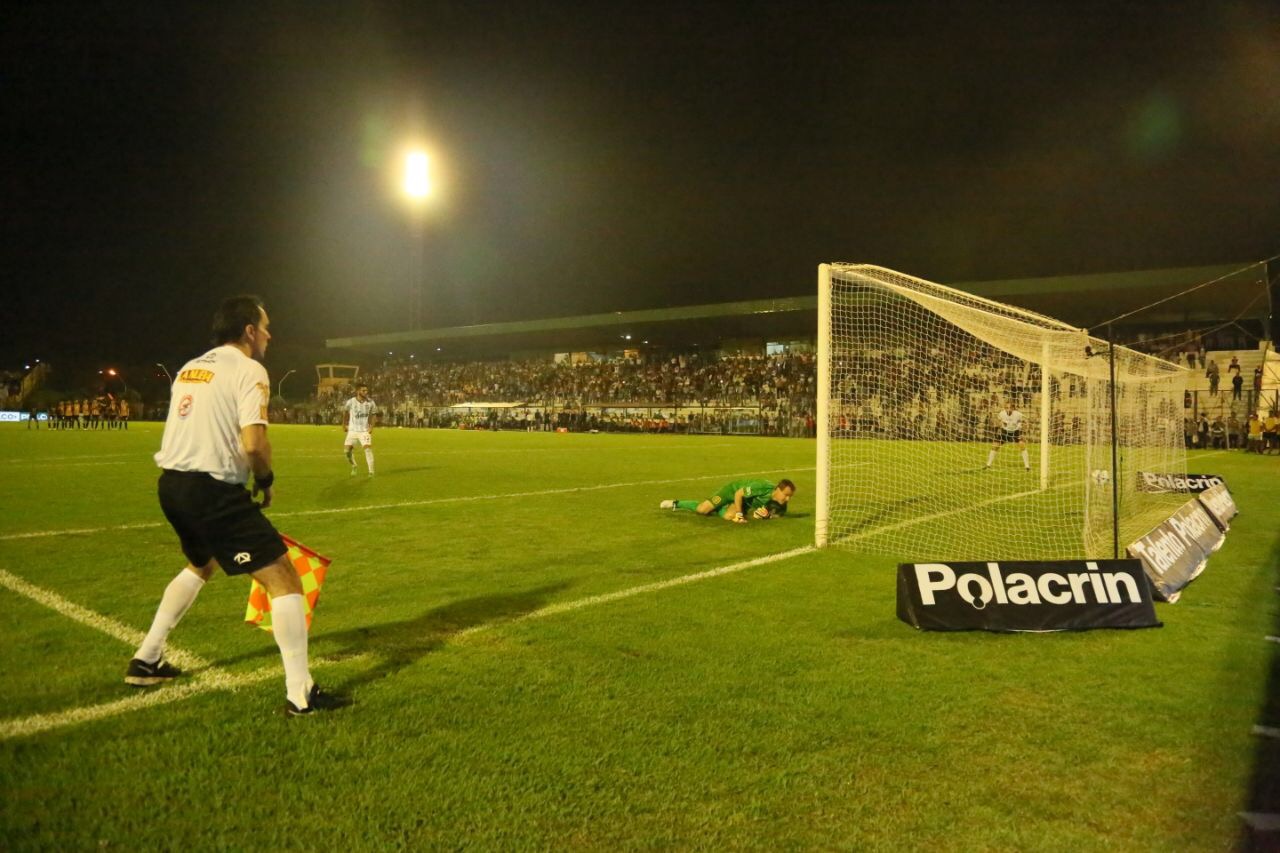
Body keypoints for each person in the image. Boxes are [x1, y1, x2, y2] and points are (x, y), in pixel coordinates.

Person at [129, 295, 347, 716]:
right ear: (248, 330)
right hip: (211, 491)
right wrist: (265, 480)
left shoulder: (190, 367)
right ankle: (300, 695)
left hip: (171, 486)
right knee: (284, 579)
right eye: (265, 326)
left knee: (201, 563)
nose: (269, 334)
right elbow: (254, 442)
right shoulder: (250, 370)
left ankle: (147, 658)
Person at [660, 478, 795, 523]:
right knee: (702, 510)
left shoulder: (781, 504)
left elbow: (774, 515)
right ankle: (676, 503)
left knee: (728, 516)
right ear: (777, 490)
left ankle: (719, 508)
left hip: (744, 502)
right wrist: (740, 514)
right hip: (732, 491)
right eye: (786, 495)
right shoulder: (762, 487)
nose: (788, 498)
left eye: (790, 496)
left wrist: (767, 516)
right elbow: (738, 494)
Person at [341, 383, 378, 477]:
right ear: (358, 391)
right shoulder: (351, 402)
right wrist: (344, 425)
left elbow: (374, 415)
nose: (366, 392)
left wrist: (371, 427)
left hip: (364, 430)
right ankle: (354, 465)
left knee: (367, 449)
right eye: (363, 390)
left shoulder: (371, 402)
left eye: (366, 390)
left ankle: (371, 472)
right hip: (352, 430)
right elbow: (345, 413)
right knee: (347, 452)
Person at [986, 400, 1031, 471]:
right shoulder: (1002, 414)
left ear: (1013, 408)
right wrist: (1000, 423)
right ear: (1004, 408)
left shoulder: (1017, 414)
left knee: (1022, 445)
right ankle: (988, 465)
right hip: (1005, 432)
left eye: (1010, 408)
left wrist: (1022, 425)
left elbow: (1026, 420)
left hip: (1015, 432)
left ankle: (1027, 466)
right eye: (1006, 407)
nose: (1008, 409)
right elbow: (997, 420)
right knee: (995, 446)